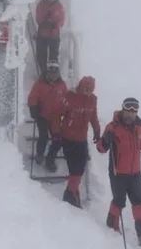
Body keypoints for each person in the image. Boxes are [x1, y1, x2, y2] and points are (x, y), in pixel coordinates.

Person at [96, 97, 141, 246]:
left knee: (139, 202)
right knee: (119, 201)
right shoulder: (113, 127)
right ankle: (111, 226)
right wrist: (106, 140)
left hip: (135, 173)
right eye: (128, 110)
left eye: (134, 111)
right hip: (118, 172)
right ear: (123, 110)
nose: (130, 115)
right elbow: (100, 148)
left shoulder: (139, 127)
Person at [56, 76, 101, 208]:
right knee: (75, 169)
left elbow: (93, 116)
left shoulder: (93, 100)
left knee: (79, 170)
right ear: (80, 86)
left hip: (81, 139)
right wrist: (56, 132)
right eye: (85, 88)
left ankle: (71, 194)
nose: (87, 91)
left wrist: (97, 131)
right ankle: (71, 195)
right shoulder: (70, 96)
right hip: (68, 138)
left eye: (90, 89)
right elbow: (58, 114)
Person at [28, 59, 67, 172]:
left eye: (55, 70)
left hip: (56, 117)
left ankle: (50, 159)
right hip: (43, 115)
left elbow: (65, 99)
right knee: (43, 136)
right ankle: (40, 154)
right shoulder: (40, 83)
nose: (53, 72)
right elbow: (33, 97)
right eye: (51, 70)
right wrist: (33, 108)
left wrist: (67, 112)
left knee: (58, 140)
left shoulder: (62, 85)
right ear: (47, 71)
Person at [34, 0, 65, 75]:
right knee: (41, 56)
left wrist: (54, 24)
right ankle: (43, 74)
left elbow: (62, 21)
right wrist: (44, 22)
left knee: (53, 57)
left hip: (54, 36)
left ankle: (53, 74)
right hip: (42, 35)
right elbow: (38, 18)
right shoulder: (41, 4)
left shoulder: (59, 6)